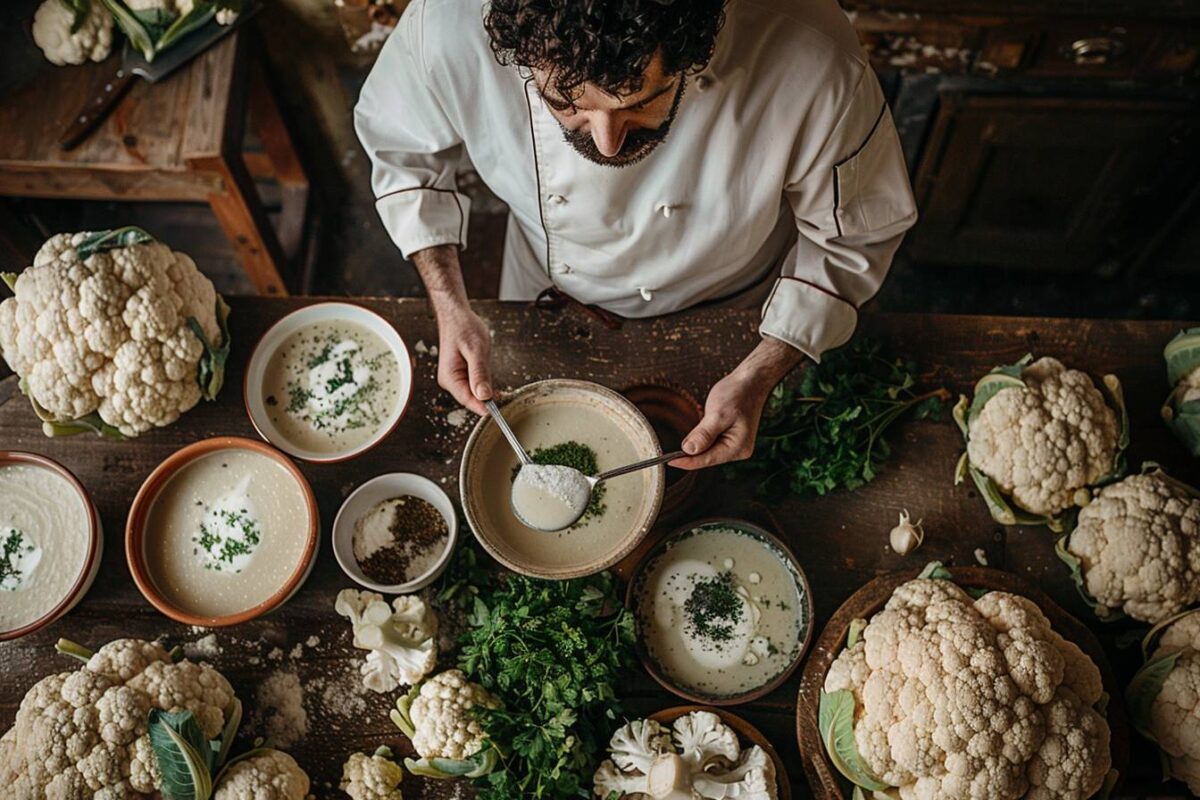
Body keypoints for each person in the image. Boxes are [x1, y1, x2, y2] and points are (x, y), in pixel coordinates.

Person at [355, 0, 917, 469]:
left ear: (697, 51)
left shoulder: (813, 57)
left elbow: (854, 238)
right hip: (542, 294)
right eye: (564, 106)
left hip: (736, 307)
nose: (605, 145)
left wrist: (761, 371)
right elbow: (404, 157)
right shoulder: (447, 24)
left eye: (639, 104)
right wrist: (450, 305)